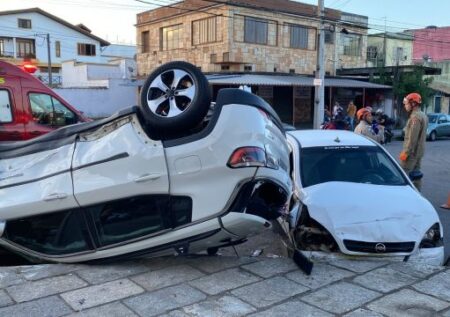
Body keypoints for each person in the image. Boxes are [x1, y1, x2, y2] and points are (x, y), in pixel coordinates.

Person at [399, 92, 428, 191]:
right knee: (416, 176)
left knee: (403, 175)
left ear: (413, 104)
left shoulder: (415, 117)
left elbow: (412, 138)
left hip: (411, 153)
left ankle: (404, 198)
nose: (405, 105)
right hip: (418, 152)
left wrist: (405, 153)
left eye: (406, 103)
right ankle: (417, 197)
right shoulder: (423, 115)